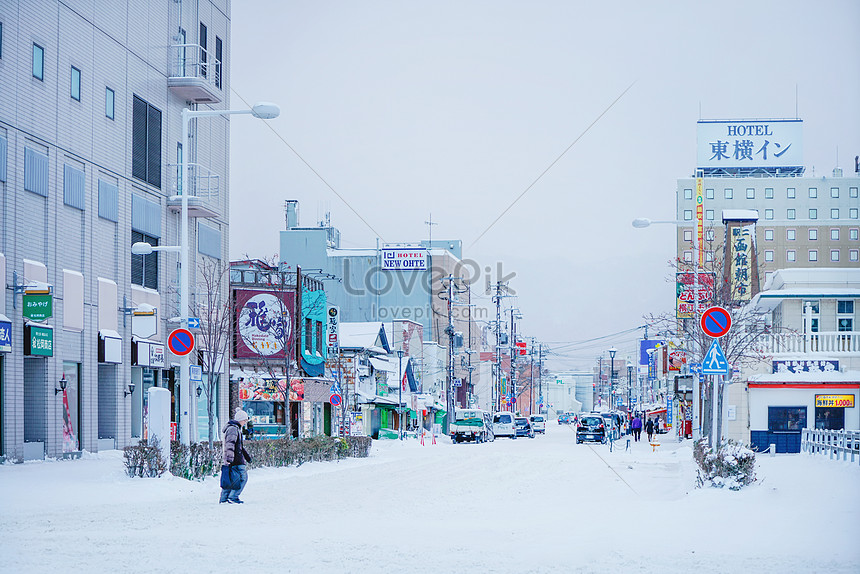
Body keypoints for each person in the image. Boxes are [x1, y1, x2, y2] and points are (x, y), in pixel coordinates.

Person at [220, 408, 252, 504]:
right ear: (241, 420)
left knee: (231, 479)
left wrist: (247, 457)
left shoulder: (235, 428)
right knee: (243, 478)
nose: (245, 422)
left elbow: (239, 446)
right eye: (245, 420)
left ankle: (224, 499)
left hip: (236, 458)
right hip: (236, 459)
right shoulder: (233, 429)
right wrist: (229, 459)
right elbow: (230, 444)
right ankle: (233, 497)